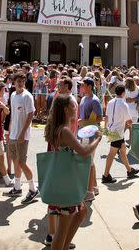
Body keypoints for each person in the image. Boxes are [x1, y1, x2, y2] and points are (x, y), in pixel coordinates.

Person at [44, 94, 102, 250]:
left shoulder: (58, 128)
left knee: (81, 212)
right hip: (66, 185)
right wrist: (97, 139)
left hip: (62, 181)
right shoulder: (64, 131)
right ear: (65, 109)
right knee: (63, 226)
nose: (76, 108)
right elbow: (84, 151)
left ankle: (63, 246)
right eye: (73, 106)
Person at [5, 73, 39, 204]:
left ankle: (33, 188)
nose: (21, 83)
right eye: (18, 81)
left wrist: (22, 133)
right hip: (13, 134)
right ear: (13, 82)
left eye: (23, 81)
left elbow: (31, 115)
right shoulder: (13, 95)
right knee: (15, 160)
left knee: (22, 162)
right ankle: (17, 187)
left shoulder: (27, 96)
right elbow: (13, 114)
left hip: (22, 136)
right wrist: (9, 130)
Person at [102, 84, 139, 183]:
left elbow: (106, 117)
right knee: (112, 154)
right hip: (117, 132)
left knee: (122, 150)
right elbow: (129, 121)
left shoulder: (110, 102)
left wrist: (105, 129)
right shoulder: (123, 104)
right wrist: (134, 128)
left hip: (112, 130)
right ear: (123, 93)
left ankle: (129, 170)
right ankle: (105, 175)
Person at [78, 77, 103, 201]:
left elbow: (100, 118)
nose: (80, 87)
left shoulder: (94, 100)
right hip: (84, 133)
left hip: (91, 134)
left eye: (82, 85)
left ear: (89, 86)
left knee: (89, 161)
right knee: (90, 161)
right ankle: (94, 187)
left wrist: (84, 121)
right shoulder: (83, 98)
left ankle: (90, 192)